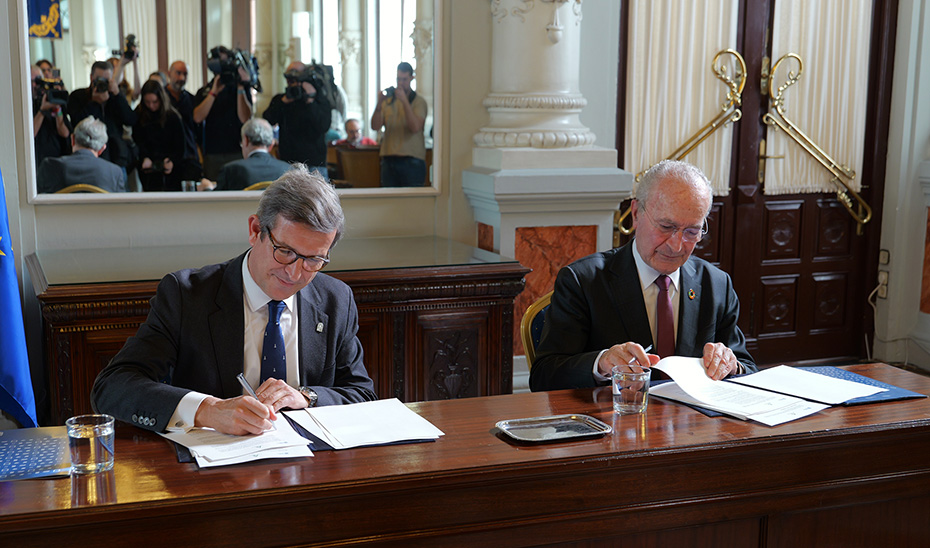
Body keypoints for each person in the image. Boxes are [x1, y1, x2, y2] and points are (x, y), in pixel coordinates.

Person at [91, 164, 377, 435]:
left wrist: (307, 397)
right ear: (255, 230)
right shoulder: (186, 296)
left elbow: (362, 394)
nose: (295, 273)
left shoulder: (335, 300)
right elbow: (112, 387)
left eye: (313, 259)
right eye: (285, 252)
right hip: (211, 462)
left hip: (310, 461)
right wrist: (206, 410)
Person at [529, 160, 756, 392]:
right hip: (616, 412)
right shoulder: (583, 281)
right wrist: (601, 363)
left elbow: (748, 369)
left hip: (691, 415)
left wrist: (731, 365)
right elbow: (544, 376)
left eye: (691, 232)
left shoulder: (716, 284)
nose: (677, 246)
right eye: (666, 227)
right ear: (636, 214)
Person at [262, 61, 332, 179]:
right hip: (288, 164)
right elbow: (267, 122)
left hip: (314, 165)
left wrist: (310, 99)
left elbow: (323, 126)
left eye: (296, 77)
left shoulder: (319, 100)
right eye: (289, 78)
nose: (293, 82)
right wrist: (283, 102)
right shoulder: (281, 100)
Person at [193, 46, 253, 181]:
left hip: (236, 151)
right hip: (213, 153)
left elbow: (245, 118)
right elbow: (197, 117)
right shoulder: (205, 91)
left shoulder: (241, 88)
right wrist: (213, 92)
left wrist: (240, 87)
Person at [67, 59, 138, 173]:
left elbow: (131, 120)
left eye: (107, 80)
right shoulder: (78, 96)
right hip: (89, 158)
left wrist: (118, 95)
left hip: (116, 158)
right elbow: (77, 122)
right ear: (91, 78)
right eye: (99, 80)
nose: (103, 83)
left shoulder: (115, 97)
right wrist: (94, 103)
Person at [133, 80, 201, 191]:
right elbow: (138, 141)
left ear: (161, 99)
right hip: (148, 169)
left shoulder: (172, 117)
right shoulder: (139, 115)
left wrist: (172, 161)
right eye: (147, 102)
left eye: (155, 102)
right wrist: (144, 157)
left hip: (171, 168)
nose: (151, 106)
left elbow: (180, 146)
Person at [370, 62, 427, 187]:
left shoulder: (419, 102)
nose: (400, 83)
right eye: (398, 79)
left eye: (404, 79)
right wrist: (379, 104)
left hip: (412, 161)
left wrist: (404, 101)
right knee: (388, 198)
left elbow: (415, 127)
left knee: (413, 198)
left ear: (412, 78)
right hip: (389, 160)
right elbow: (375, 126)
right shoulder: (388, 101)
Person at [36, 117, 126, 194]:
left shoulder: (50, 166)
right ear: (102, 149)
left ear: (72, 139)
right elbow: (121, 207)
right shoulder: (114, 173)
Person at [207, 118, 292, 191]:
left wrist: (207, 189)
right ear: (271, 145)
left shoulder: (230, 171)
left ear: (246, 140)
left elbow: (216, 203)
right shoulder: (288, 170)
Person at [31, 64, 71, 169]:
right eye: (32, 81)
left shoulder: (49, 98)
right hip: (37, 162)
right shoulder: (25, 106)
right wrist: (42, 111)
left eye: (38, 81)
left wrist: (57, 109)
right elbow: (29, 134)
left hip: (57, 160)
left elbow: (65, 133)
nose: (35, 85)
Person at [165, 60, 200, 158]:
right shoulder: (161, 98)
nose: (182, 78)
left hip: (189, 153)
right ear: (169, 73)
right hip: (168, 153)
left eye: (185, 74)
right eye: (178, 73)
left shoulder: (192, 99)